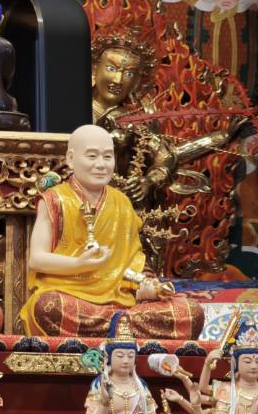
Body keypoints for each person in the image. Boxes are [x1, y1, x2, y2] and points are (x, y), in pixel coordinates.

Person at [23, 125, 204, 338]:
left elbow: (133, 261)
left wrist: (146, 285)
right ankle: (122, 327)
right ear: (71, 159)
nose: (101, 164)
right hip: (70, 295)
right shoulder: (55, 199)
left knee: (191, 312)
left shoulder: (122, 203)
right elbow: (36, 259)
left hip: (121, 301)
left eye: (108, 157)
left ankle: (116, 325)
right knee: (47, 307)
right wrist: (79, 264)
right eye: (92, 156)